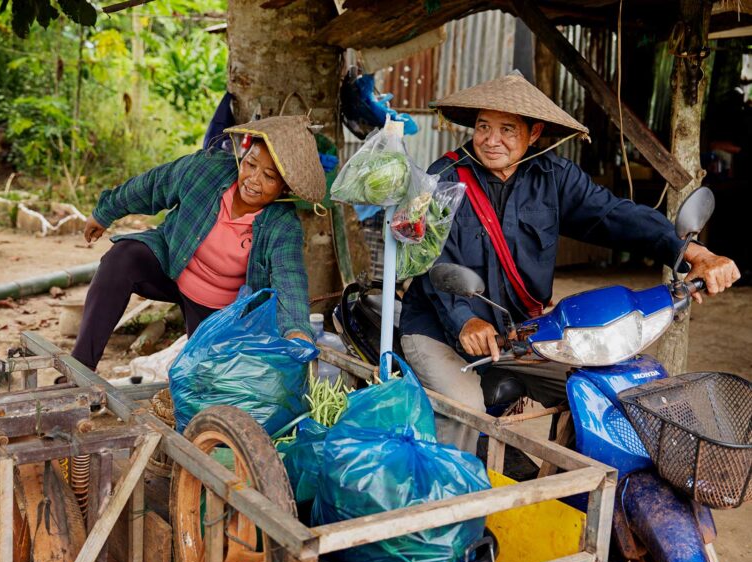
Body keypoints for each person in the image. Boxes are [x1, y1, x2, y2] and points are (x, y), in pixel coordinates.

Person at [400, 73, 741, 453]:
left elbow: (614, 215)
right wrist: (465, 319)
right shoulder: (442, 178)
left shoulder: (554, 176)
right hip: (439, 328)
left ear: (534, 132)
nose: (491, 140)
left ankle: (571, 490)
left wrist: (691, 253)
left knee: (603, 388)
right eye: (483, 127)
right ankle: (452, 503)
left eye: (507, 129)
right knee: (466, 409)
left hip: (515, 334)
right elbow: (430, 260)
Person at [72, 115, 326, 371]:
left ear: (283, 188)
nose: (253, 179)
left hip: (217, 307)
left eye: (269, 176)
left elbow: (289, 278)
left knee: (205, 376)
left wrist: (296, 331)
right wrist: (104, 212)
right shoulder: (207, 170)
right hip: (172, 265)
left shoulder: (283, 224)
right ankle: (79, 370)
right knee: (122, 258)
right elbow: (153, 185)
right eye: (250, 164)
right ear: (243, 156)